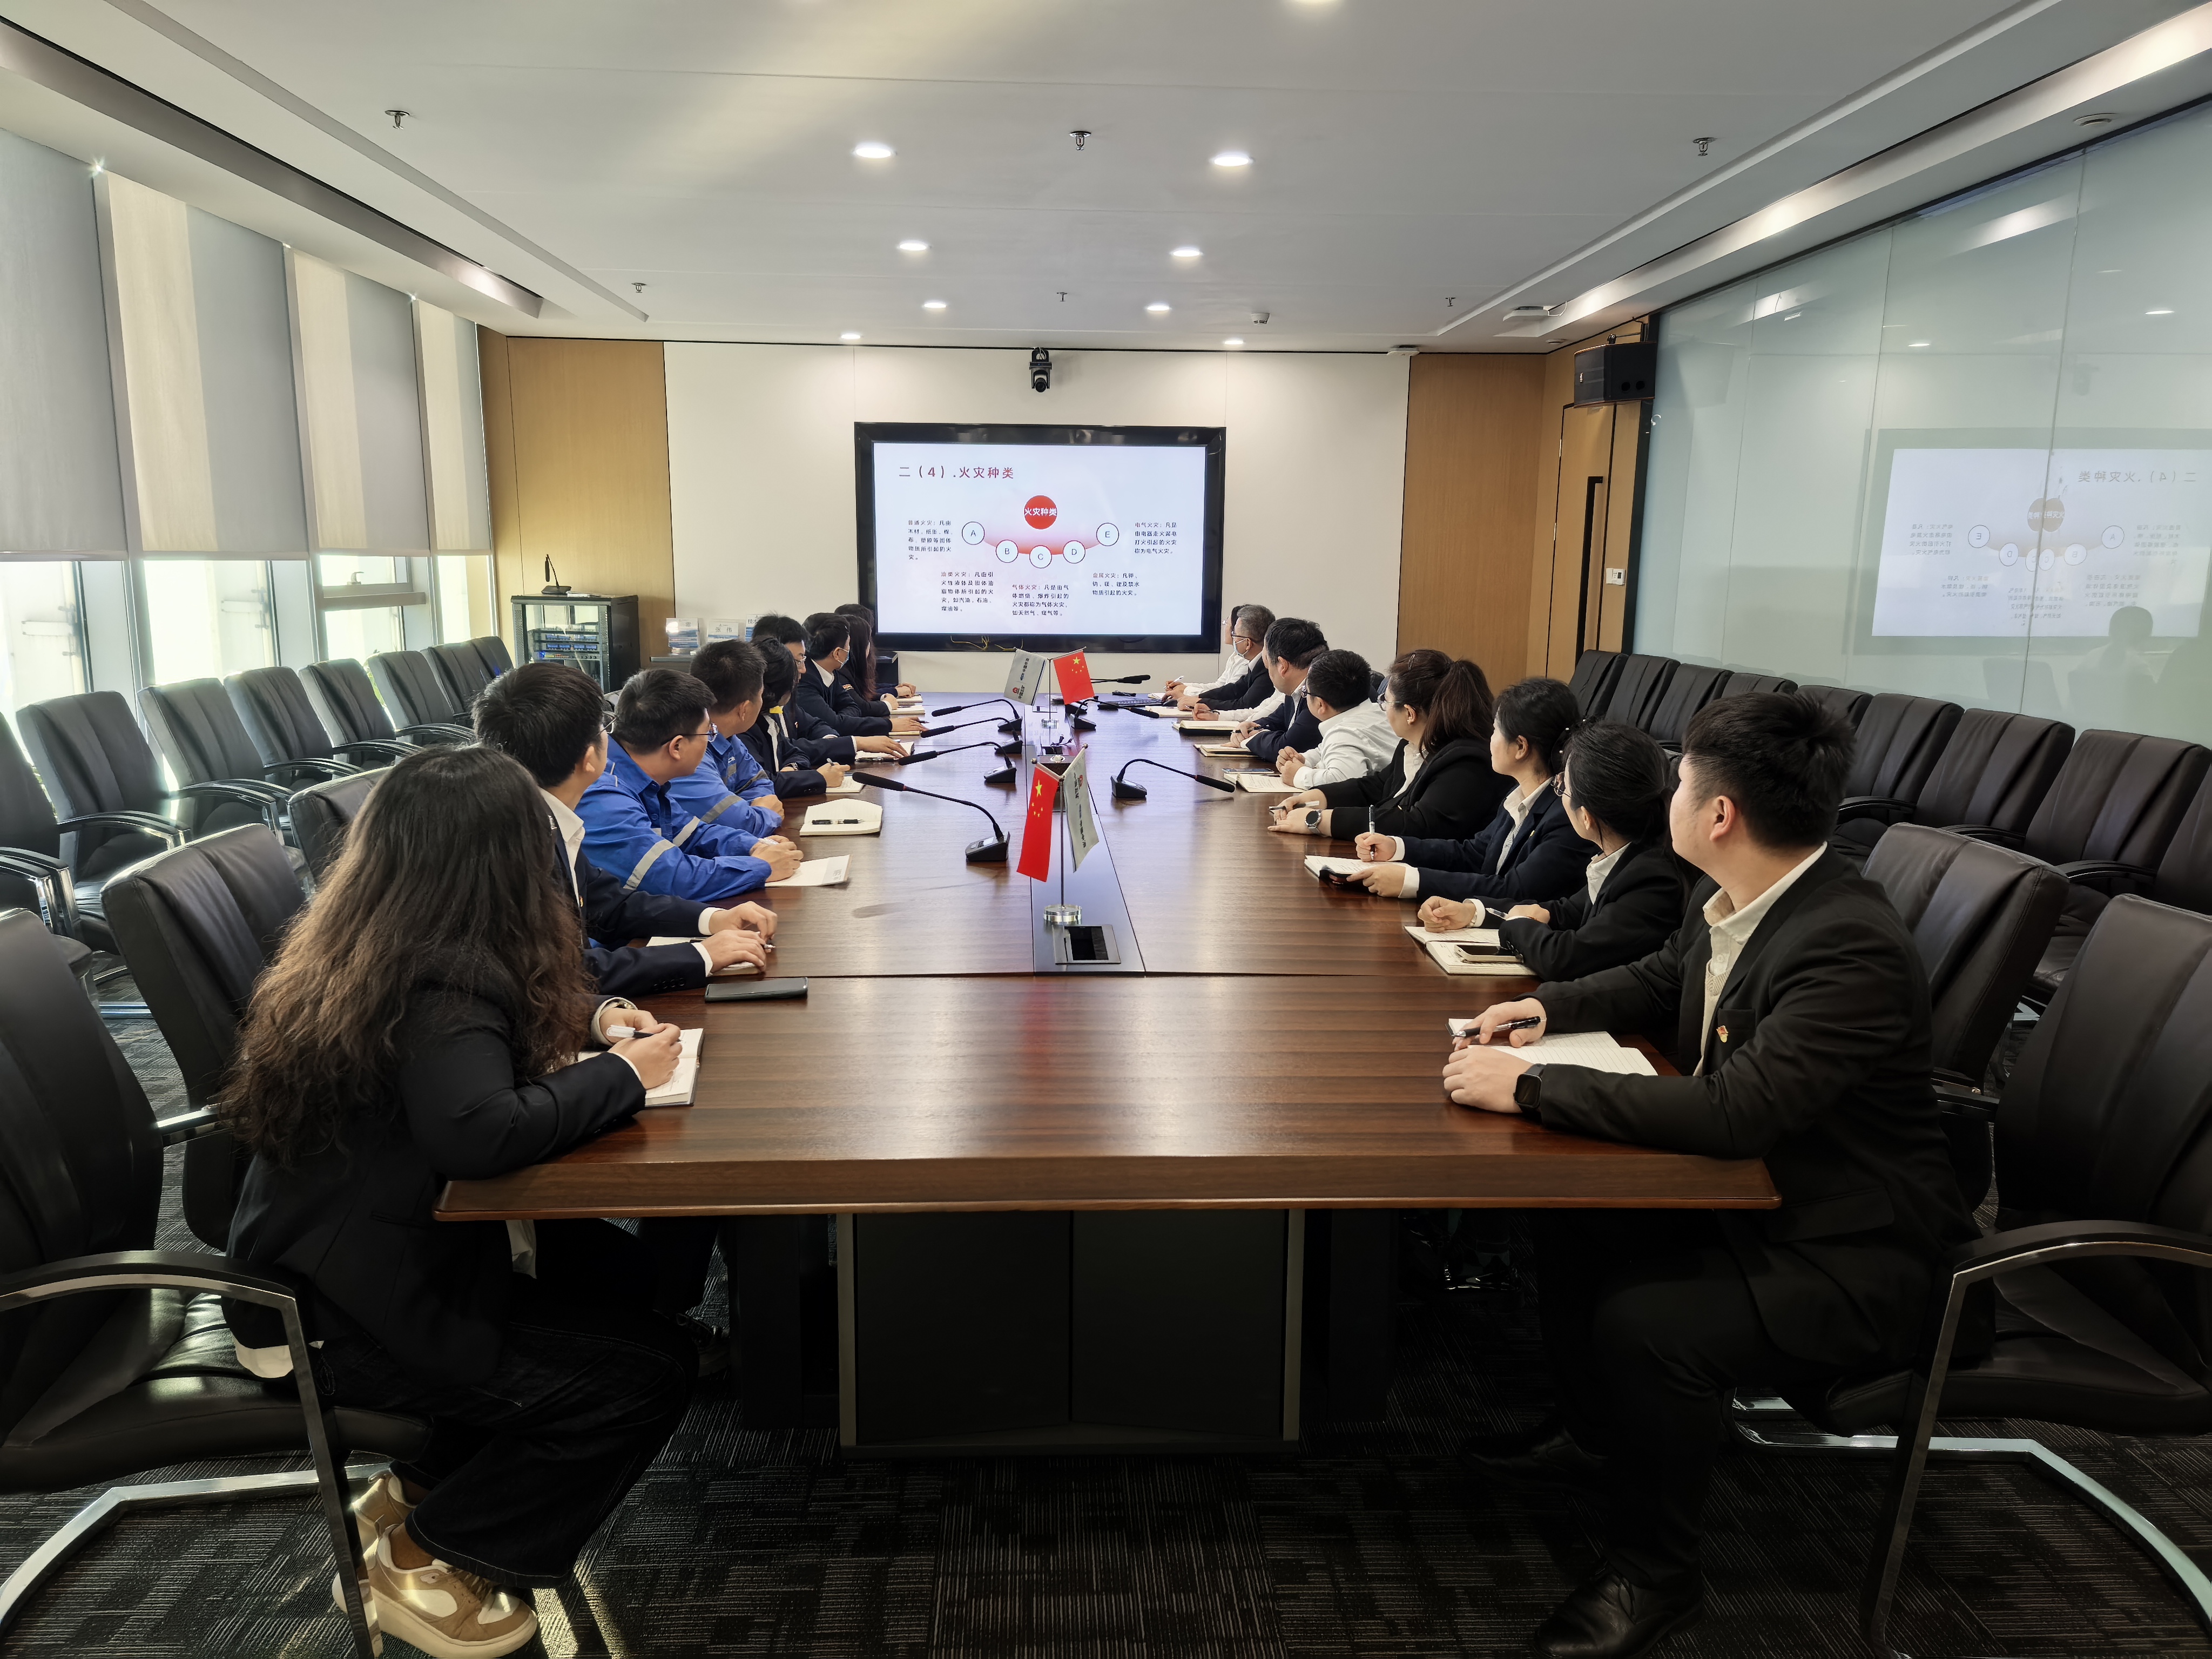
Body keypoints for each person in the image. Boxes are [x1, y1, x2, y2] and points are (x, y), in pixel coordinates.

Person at [1442, 691, 1977, 1658]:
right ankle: (1596, 1433)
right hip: (1766, 1197)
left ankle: (1656, 1577)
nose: (1669, 799)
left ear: (1720, 813)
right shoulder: (1733, 894)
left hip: (1859, 1248)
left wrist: (1533, 1088)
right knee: (1569, 1217)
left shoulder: (1844, 941)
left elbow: (1738, 1112)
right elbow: (1660, 978)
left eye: (1681, 783)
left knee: (1650, 1325)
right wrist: (1545, 1009)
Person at [220, 745, 700, 1657]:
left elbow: (475, 1051)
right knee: (645, 1376)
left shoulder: (378, 940)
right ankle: (435, 1557)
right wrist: (624, 1076)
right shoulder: (442, 978)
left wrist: (595, 1019)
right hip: (336, 1318)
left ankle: (424, 1482)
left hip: (320, 1263)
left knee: (618, 1273)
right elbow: (477, 1131)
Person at [473, 663, 774, 1001]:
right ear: (589, 758)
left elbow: (610, 904)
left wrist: (713, 919)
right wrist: (703, 955)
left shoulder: (543, 818)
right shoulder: (518, 842)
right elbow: (563, 972)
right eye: (605, 727)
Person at [1423, 719, 1685, 983]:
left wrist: (1515, 926)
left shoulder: (1653, 879)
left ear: (1586, 817)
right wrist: (1474, 912)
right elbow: (1565, 911)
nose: (1559, 794)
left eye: (1563, 788)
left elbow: (1563, 958)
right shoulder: (1626, 855)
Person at [1343, 676, 1590, 906]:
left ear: (1520, 747)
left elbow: (1515, 890)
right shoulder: (1520, 793)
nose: (1490, 739)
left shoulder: (1565, 815)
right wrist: (1397, 847)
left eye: (1496, 730)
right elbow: (1475, 853)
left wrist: (1412, 881)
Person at [579, 669, 804, 901]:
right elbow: (670, 878)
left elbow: (692, 834)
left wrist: (756, 846)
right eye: (708, 733)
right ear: (677, 747)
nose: (711, 741)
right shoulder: (606, 795)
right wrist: (761, 867)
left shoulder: (643, 777)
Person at [1269, 649, 1507, 841]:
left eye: (1386, 702)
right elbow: (1376, 786)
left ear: (1410, 714)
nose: (1382, 709)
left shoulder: (1465, 762)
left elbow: (1416, 824)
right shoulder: (1413, 744)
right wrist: (1317, 797)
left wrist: (1319, 821)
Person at [669, 638, 787, 839]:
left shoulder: (726, 736)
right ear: (744, 709)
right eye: (760, 695)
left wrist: (747, 809)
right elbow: (740, 824)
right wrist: (765, 813)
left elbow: (759, 783)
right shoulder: (687, 749)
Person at [754, 612, 911, 762]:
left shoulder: (825, 676)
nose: (803, 669)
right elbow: (785, 749)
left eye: (802, 660)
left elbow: (820, 723)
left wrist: (832, 741)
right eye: (798, 661)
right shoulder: (762, 704)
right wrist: (856, 742)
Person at [1199, 616, 1326, 763]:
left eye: (1267, 663)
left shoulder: (1318, 694)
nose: (1267, 670)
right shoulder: (1295, 690)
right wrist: (1252, 728)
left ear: (1282, 666)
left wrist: (1247, 740)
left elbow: (1285, 747)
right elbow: (1273, 721)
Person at [1275, 648, 1395, 788]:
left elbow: (1343, 782)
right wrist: (1304, 760)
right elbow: (1325, 749)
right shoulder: (1376, 712)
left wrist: (1299, 775)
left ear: (1320, 705)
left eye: (1305, 692)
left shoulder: (1345, 734)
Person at [799, 611, 924, 739]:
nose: (850, 650)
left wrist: (842, 719)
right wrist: (889, 725)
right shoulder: (804, 680)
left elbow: (852, 707)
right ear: (837, 654)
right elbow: (835, 724)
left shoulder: (830, 671)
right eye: (848, 645)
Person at [747, 642, 846, 799]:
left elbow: (795, 752)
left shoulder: (771, 714)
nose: (803, 671)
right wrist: (819, 778)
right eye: (799, 662)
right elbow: (760, 784)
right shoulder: (745, 728)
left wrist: (791, 770)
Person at [1170, 604, 1273, 710]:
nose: (1233, 637)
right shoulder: (1256, 664)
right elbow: (1234, 690)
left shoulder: (1266, 669)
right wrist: (1197, 698)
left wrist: (1199, 702)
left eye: (1235, 634)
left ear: (1248, 644)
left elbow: (1244, 705)